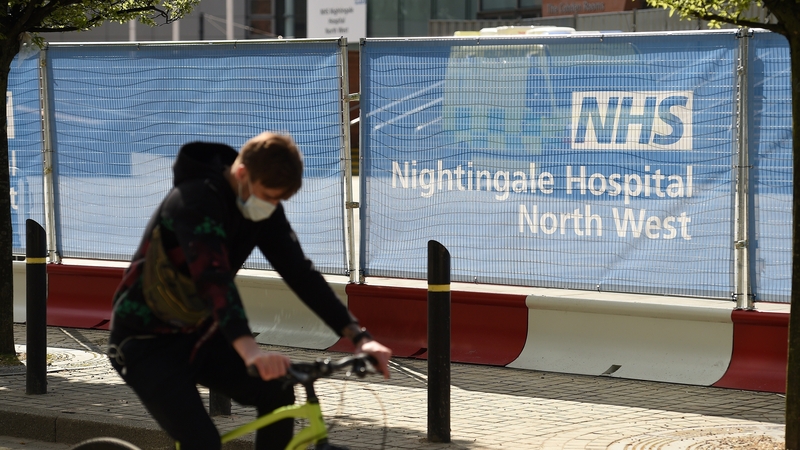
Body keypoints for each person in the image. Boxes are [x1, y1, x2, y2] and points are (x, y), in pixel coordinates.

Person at [107, 132, 392, 450]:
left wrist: (359, 336)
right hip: (146, 343)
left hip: (199, 337)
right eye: (269, 196)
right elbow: (213, 280)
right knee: (202, 442)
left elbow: (300, 273)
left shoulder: (261, 205)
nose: (272, 206)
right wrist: (250, 351)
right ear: (242, 174)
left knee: (278, 389)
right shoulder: (196, 200)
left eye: (279, 201)